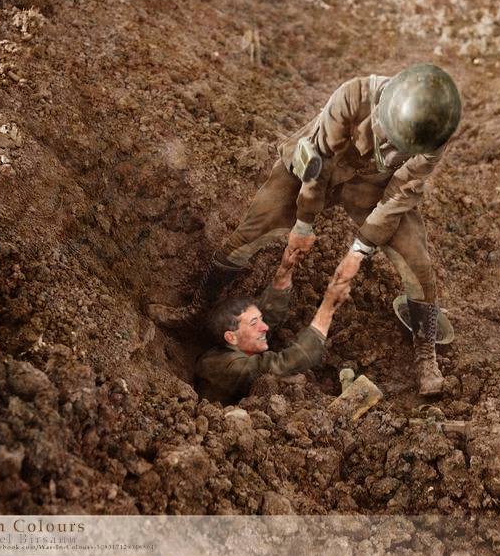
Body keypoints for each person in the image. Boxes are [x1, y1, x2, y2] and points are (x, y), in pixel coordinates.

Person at [151, 63, 461, 396]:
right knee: (251, 231)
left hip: (374, 187)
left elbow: (401, 191)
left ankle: (426, 354)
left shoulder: (435, 131)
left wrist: (359, 250)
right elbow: (319, 164)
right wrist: (303, 223)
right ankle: (197, 309)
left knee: (418, 266)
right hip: (316, 169)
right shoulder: (354, 96)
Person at [196, 246, 350, 405]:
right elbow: (285, 363)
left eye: (260, 319)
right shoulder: (230, 367)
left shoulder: (233, 346)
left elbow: (269, 315)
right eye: (254, 323)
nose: (265, 327)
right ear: (231, 337)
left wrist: (284, 271)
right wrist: (328, 306)